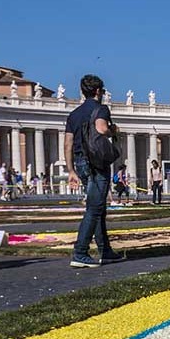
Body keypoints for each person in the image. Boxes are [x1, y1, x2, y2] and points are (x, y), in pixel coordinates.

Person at [64, 74, 124, 268]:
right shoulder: (101, 109)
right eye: (103, 91)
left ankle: (105, 250)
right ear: (98, 91)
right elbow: (101, 128)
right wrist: (113, 130)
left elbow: (67, 143)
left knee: (98, 207)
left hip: (80, 162)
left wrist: (70, 169)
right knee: (94, 208)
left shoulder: (74, 114)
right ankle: (80, 252)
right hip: (96, 162)